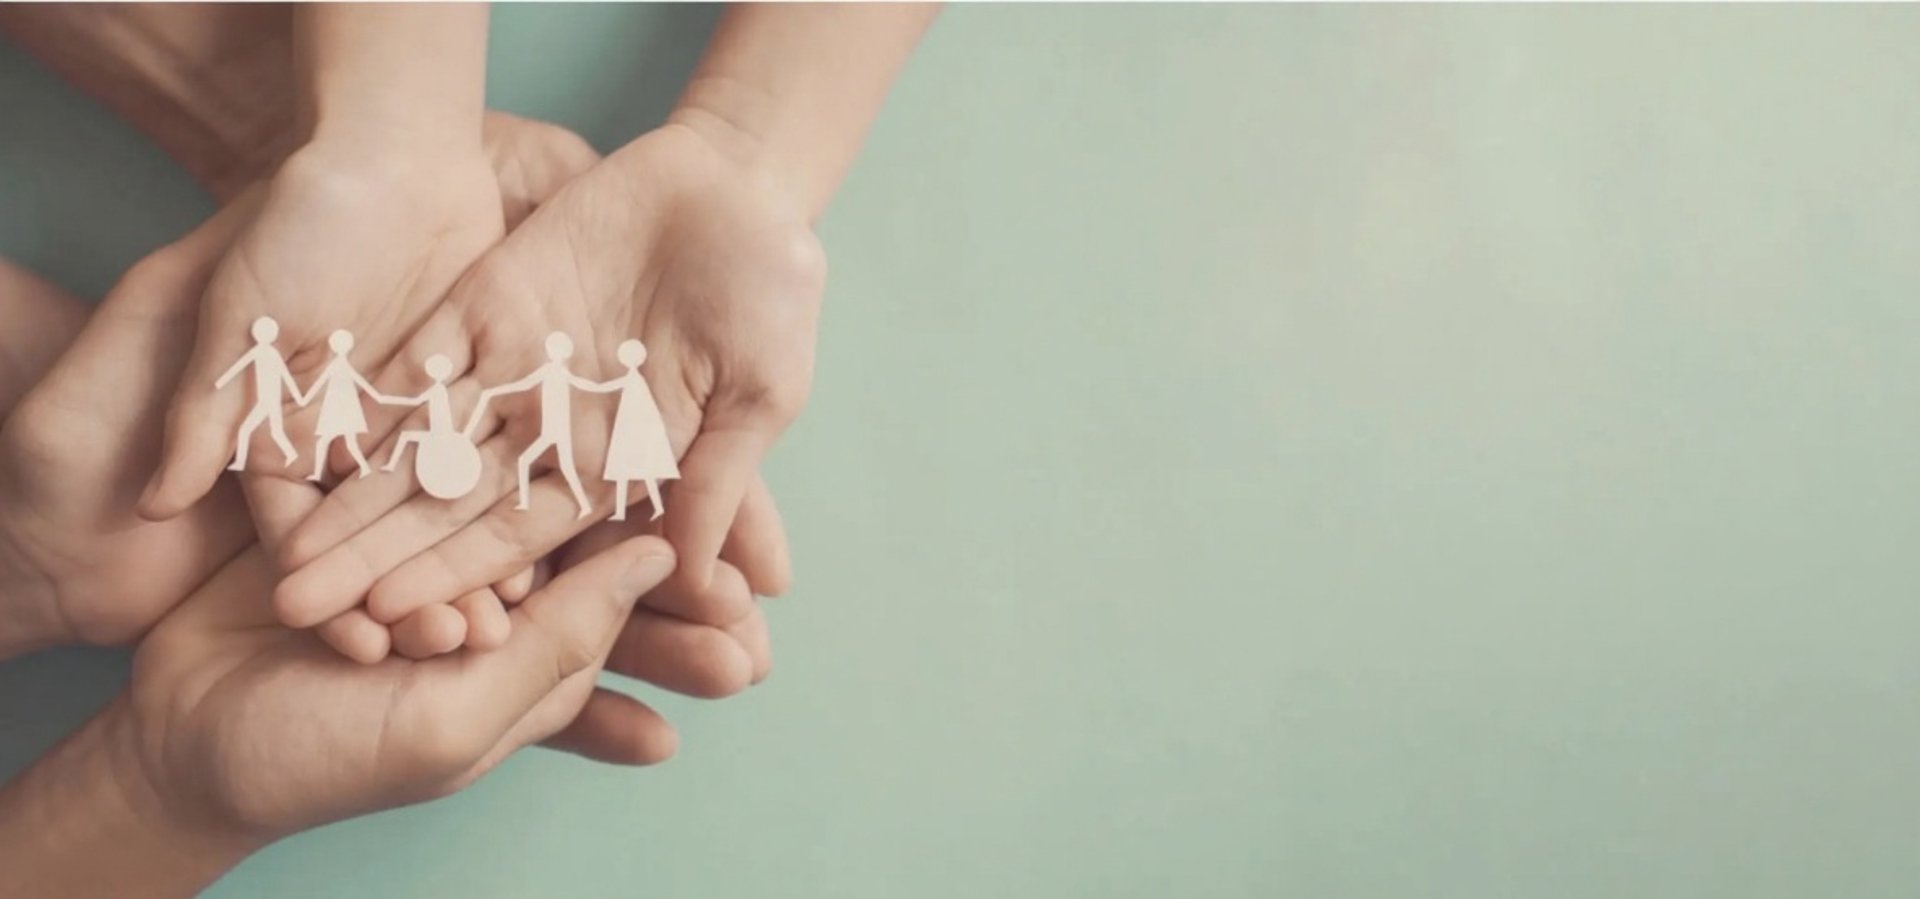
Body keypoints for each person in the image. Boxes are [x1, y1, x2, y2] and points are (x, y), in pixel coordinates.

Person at [465, 331, 599, 517]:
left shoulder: (560, 373)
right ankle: (527, 501)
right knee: (531, 462)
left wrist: (613, 387)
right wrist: (496, 391)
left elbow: (585, 385)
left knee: (563, 468)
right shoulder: (552, 371)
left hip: (558, 431)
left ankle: (581, 504)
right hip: (550, 431)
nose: (552, 352)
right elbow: (524, 385)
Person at [581, 338, 680, 521]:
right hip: (631, 432)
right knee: (633, 475)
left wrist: (585, 385)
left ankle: (652, 508)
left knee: (632, 474)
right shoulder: (636, 380)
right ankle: (632, 509)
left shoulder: (632, 380)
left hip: (632, 434)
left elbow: (605, 388)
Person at [213, 315, 300, 473]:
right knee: (273, 431)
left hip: (268, 401)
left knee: (248, 430)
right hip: (268, 401)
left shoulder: (265, 352)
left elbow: (284, 375)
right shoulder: (266, 352)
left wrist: (298, 395)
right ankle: (290, 454)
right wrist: (221, 381)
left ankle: (243, 461)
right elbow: (239, 367)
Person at [294, 328, 381, 481]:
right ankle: (363, 468)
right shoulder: (340, 365)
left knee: (343, 443)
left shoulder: (339, 365)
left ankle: (364, 468)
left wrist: (305, 398)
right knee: (341, 443)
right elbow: (322, 382)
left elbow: (322, 382)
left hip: (342, 407)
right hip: (338, 407)